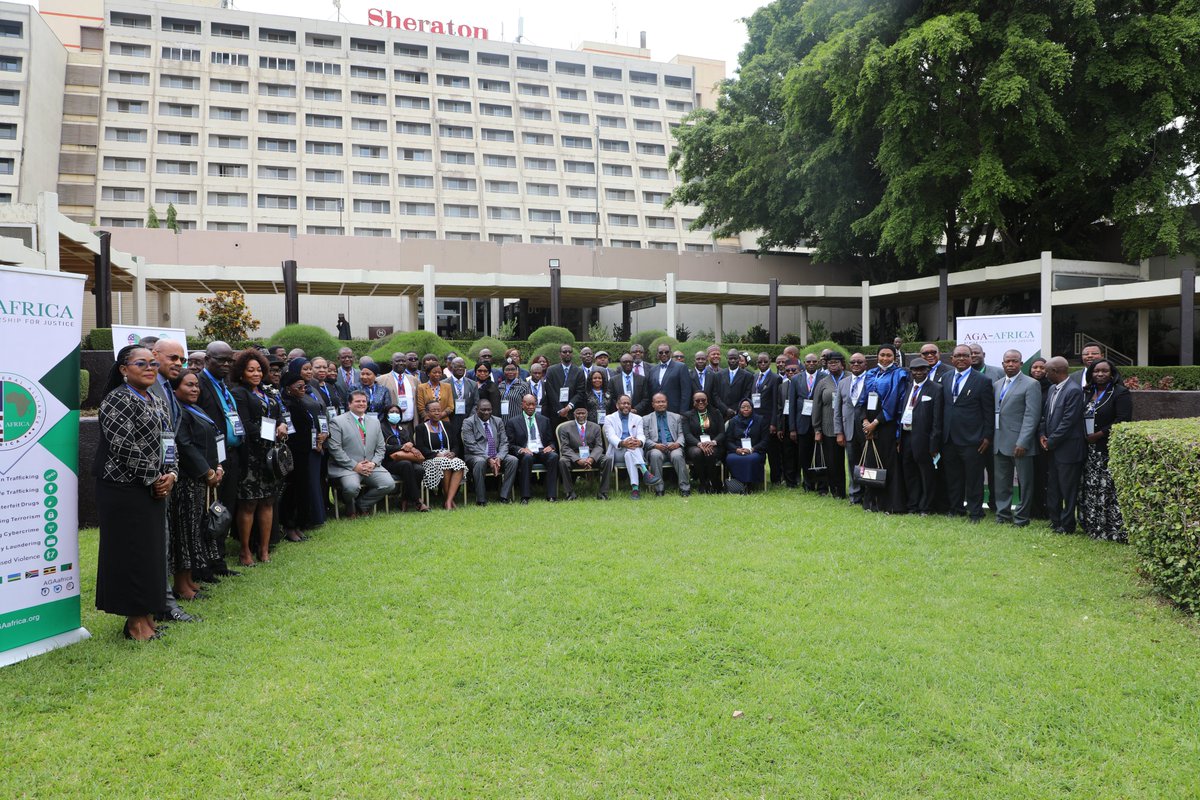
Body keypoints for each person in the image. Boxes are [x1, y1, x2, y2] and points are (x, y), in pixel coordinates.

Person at [94, 345, 177, 641]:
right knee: (131, 553)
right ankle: (135, 623)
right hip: (122, 488)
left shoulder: (157, 399)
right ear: (123, 369)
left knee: (151, 553)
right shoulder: (116, 400)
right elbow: (123, 446)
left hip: (153, 485)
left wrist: (172, 473)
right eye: (141, 363)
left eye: (153, 362)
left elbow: (169, 439)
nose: (150, 367)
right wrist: (153, 478)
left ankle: (148, 616)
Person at [147, 338, 195, 622]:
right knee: (157, 542)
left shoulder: (166, 389)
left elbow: (169, 438)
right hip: (150, 480)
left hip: (168, 475)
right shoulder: (147, 388)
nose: (178, 363)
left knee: (165, 540)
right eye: (172, 358)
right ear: (155, 355)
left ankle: (164, 602)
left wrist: (172, 472)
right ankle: (163, 604)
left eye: (181, 359)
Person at [229, 349, 288, 566]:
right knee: (249, 503)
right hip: (250, 455)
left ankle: (264, 549)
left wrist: (282, 425)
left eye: (259, 370)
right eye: (250, 370)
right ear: (241, 373)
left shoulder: (267, 392)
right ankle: (245, 551)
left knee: (268, 501)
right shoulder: (239, 393)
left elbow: (279, 414)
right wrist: (273, 432)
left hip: (270, 456)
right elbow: (246, 425)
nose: (256, 374)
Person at [171, 370, 224, 602]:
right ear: (175, 389)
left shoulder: (198, 409)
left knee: (196, 530)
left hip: (205, 480)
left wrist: (218, 466)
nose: (194, 389)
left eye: (196, 385)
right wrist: (207, 471)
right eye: (188, 385)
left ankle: (190, 579)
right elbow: (184, 444)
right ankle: (181, 585)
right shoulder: (179, 412)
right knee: (186, 531)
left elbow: (214, 437)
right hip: (187, 481)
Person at [195, 341, 242, 576]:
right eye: (220, 360)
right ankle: (204, 564)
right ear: (207, 359)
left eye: (229, 360)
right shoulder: (199, 384)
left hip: (231, 456)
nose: (225, 365)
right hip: (210, 460)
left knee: (225, 509)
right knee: (209, 512)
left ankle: (219, 561)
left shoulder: (226, 384)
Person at [1079, 358, 1132, 541]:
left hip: (1105, 448)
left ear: (1112, 374)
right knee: (1089, 487)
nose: (1100, 374)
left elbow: (1123, 419)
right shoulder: (1086, 392)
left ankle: (1110, 530)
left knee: (1106, 489)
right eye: (1096, 371)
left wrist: (1100, 434)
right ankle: (1092, 526)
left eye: (1104, 371)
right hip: (1086, 450)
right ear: (1090, 374)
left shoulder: (1120, 393)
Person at [940, 345, 994, 522]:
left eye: (965, 356)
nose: (961, 359)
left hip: (973, 439)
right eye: (957, 356)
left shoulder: (982, 381)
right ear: (951, 359)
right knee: (953, 477)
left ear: (971, 358)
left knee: (974, 478)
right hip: (949, 438)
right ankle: (956, 508)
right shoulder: (945, 378)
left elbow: (988, 411)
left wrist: (987, 436)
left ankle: (976, 512)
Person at [326, 389, 396, 517]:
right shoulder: (337, 421)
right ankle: (349, 504)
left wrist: (373, 463)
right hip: (347, 467)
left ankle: (362, 504)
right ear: (349, 404)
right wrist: (355, 466)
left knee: (389, 484)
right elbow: (335, 449)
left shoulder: (374, 422)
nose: (362, 404)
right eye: (358, 401)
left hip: (370, 466)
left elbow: (381, 448)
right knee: (351, 488)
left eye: (364, 401)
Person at [992, 350, 1042, 527]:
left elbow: (1032, 416)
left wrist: (1023, 441)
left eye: (1015, 361)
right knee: (1001, 482)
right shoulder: (997, 384)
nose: (1011, 364)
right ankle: (1002, 515)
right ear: (1003, 363)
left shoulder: (1031, 384)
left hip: (1021, 444)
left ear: (1021, 364)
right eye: (1007, 361)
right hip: (999, 442)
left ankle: (1021, 518)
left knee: (1025, 483)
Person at [280, 361, 327, 540]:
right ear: (288, 388)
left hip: (306, 452)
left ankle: (299, 524)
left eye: (304, 386)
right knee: (292, 491)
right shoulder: (287, 405)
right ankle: (289, 526)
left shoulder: (300, 403)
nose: (303, 389)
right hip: (293, 453)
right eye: (298, 386)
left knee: (303, 490)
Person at [858, 345, 908, 513]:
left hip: (886, 426)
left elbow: (894, 402)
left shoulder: (899, 374)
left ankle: (889, 504)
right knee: (871, 463)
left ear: (894, 357)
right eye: (882, 355)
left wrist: (876, 423)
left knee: (887, 463)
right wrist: (865, 420)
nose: (885, 358)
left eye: (889, 355)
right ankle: (872, 502)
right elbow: (863, 399)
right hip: (869, 426)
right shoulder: (871, 374)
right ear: (877, 356)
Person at [1039, 357, 1086, 534]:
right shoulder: (1052, 388)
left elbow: (1068, 421)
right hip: (1052, 448)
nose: (1044, 374)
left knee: (1068, 489)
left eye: (1046, 371)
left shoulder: (1073, 391)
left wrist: (1051, 441)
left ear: (1056, 371)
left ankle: (1067, 525)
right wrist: (1043, 435)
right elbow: (1046, 416)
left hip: (1068, 450)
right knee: (1053, 487)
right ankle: (1055, 520)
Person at [897, 358, 942, 515]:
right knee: (910, 473)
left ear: (927, 371)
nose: (918, 372)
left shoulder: (936, 389)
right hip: (906, 437)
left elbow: (937, 420)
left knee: (926, 475)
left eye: (922, 369)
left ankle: (926, 507)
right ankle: (913, 505)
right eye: (914, 370)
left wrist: (934, 444)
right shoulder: (909, 387)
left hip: (925, 439)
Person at [461, 399, 517, 506]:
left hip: (496, 455)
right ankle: (481, 499)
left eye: (489, 410)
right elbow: (471, 445)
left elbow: (504, 442)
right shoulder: (468, 422)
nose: (486, 412)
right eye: (483, 410)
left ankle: (504, 496)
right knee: (480, 462)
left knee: (513, 460)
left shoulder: (497, 421)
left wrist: (499, 458)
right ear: (476, 410)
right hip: (476, 456)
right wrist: (488, 458)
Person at [602, 394, 660, 499]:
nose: (626, 406)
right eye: (623, 403)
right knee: (631, 448)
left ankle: (635, 489)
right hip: (617, 450)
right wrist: (623, 443)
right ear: (617, 405)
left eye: (628, 403)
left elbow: (641, 434)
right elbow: (611, 436)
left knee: (629, 454)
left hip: (633, 449)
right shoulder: (609, 418)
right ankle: (645, 472)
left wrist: (640, 442)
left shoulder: (637, 418)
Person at [505, 394, 560, 503]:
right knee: (527, 458)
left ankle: (551, 496)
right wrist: (521, 449)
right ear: (522, 405)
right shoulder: (513, 422)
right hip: (526, 452)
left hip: (541, 451)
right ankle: (525, 496)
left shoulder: (544, 420)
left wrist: (551, 446)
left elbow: (551, 441)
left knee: (554, 457)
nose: (531, 407)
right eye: (528, 404)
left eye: (533, 404)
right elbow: (510, 445)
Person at [414, 400, 467, 510]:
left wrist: (453, 453)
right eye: (433, 410)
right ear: (427, 413)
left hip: (448, 456)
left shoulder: (447, 425)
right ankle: (449, 500)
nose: (437, 413)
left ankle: (448, 501)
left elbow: (456, 444)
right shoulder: (421, 428)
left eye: (439, 410)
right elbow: (420, 447)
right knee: (445, 463)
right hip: (431, 458)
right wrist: (436, 454)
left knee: (460, 463)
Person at [643, 392, 694, 497]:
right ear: (653, 404)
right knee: (655, 455)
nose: (661, 404)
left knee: (677, 455)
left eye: (663, 401)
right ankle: (659, 489)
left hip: (673, 445)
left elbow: (681, 434)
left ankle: (685, 488)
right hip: (655, 446)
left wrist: (677, 444)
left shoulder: (677, 417)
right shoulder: (646, 419)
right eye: (658, 402)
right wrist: (655, 445)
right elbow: (644, 438)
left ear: (667, 403)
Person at [557, 404, 613, 500]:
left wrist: (591, 458)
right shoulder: (565, 428)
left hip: (592, 456)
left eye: (583, 413)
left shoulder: (595, 427)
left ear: (587, 414)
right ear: (574, 414)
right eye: (578, 413)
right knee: (562, 461)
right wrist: (577, 459)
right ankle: (570, 493)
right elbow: (565, 448)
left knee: (607, 459)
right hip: (574, 456)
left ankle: (603, 493)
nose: (581, 415)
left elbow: (599, 446)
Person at [810, 352, 846, 499]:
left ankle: (858, 489)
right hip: (829, 427)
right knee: (833, 462)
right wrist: (817, 429)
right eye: (830, 362)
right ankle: (837, 490)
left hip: (849, 426)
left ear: (842, 363)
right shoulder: (822, 382)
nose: (832, 364)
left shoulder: (850, 377)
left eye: (836, 362)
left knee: (851, 461)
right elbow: (816, 408)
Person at [787, 353, 824, 492]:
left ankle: (821, 484)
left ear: (818, 362)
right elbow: (791, 405)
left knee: (820, 456)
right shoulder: (796, 379)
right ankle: (808, 484)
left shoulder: (824, 377)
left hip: (819, 422)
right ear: (804, 363)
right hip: (801, 423)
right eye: (808, 361)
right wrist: (792, 428)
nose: (811, 363)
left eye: (814, 361)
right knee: (804, 456)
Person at [381, 404, 427, 512]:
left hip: (407, 459)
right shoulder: (381, 428)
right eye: (391, 412)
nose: (395, 414)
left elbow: (412, 444)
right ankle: (417, 501)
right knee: (406, 464)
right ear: (386, 414)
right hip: (389, 461)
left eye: (397, 412)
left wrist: (412, 446)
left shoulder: (404, 429)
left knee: (419, 469)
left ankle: (404, 499)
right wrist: (402, 446)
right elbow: (383, 448)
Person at [836, 353, 869, 505]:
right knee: (852, 463)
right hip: (848, 430)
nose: (856, 364)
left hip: (867, 430)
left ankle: (868, 494)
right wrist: (839, 432)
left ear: (865, 364)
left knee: (868, 463)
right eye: (853, 362)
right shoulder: (843, 383)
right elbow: (837, 410)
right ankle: (855, 496)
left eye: (859, 362)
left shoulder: (872, 380)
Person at [751, 353, 784, 487]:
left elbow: (777, 402)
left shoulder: (775, 378)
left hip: (769, 421)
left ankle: (776, 479)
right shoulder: (755, 376)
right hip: (756, 420)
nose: (762, 364)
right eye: (760, 362)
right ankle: (758, 477)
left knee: (773, 452)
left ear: (770, 362)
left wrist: (773, 423)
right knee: (759, 451)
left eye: (765, 361)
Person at [684, 391, 724, 493]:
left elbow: (722, 433)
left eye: (703, 400)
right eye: (697, 400)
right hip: (695, 444)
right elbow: (687, 435)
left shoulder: (716, 413)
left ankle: (713, 481)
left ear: (707, 401)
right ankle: (702, 482)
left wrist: (713, 442)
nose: (700, 402)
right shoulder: (687, 415)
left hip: (713, 444)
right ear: (693, 402)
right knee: (697, 453)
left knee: (710, 453)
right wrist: (699, 444)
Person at [724, 399, 768, 490]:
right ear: (739, 409)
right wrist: (736, 449)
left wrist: (752, 449)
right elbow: (728, 440)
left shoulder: (760, 420)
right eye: (743, 407)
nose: (746, 409)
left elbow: (765, 440)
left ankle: (749, 484)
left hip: (755, 450)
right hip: (737, 450)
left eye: (748, 407)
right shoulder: (733, 421)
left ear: (752, 408)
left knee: (751, 459)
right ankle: (737, 484)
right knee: (731, 458)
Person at [1029, 357, 1051, 519]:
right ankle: (1031, 508)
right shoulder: (1026, 386)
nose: (1038, 370)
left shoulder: (1051, 388)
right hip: (1028, 437)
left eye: (1042, 368)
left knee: (1043, 475)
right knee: (1029, 475)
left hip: (1044, 437)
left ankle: (1044, 509)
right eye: (1035, 367)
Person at [377, 352, 418, 435]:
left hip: (410, 424)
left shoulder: (414, 380)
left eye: (403, 361)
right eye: (397, 361)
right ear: (392, 362)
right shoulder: (381, 380)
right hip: (390, 425)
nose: (401, 363)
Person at [544, 343, 586, 421]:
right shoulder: (551, 370)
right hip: (555, 412)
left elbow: (580, 392)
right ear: (560, 354)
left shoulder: (579, 372)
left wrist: (568, 407)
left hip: (572, 412)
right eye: (564, 352)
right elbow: (550, 391)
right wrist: (560, 409)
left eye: (570, 352)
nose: (567, 354)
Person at [710, 348, 752, 420]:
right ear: (727, 359)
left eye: (735, 358)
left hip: (739, 414)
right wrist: (725, 409)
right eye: (730, 358)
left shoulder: (747, 376)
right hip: (721, 414)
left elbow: (746, 394)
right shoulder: (718, 375)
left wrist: (736, 410)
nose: (732, 361)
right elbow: (715, 394)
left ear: (738, 359)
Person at [648, 343, 691, 413]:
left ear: (671, 353)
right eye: (661, 352)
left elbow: (686, 392)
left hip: (675, 411)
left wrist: (683, 412)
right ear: (657, 354)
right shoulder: (653, 370)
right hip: (656, 411)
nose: (664, 354)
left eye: (666, 352)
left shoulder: (681, 367)